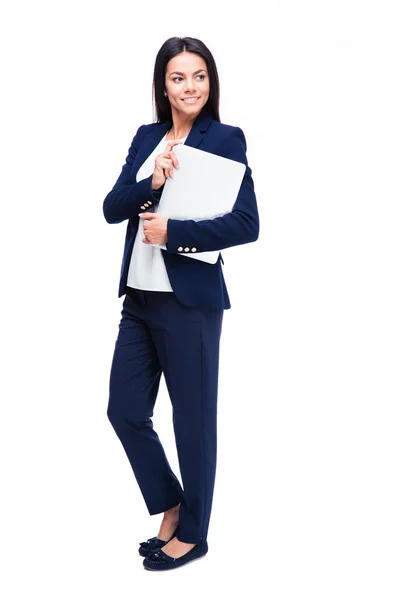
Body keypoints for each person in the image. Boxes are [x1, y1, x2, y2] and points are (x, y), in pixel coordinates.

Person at [103, 36, 259, 571]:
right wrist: (152, 181)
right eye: (178, 77)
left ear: (209, 82)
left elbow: (246, 224)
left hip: (190, 302)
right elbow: (111, 207)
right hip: (139, 300)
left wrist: (175, 233)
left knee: (192, 420)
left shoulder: (226, 140)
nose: (189, 87)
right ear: (163, 85)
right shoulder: (148, 137)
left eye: (198, 76)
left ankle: (194, 533)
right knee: (123, 411)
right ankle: (171, 504)